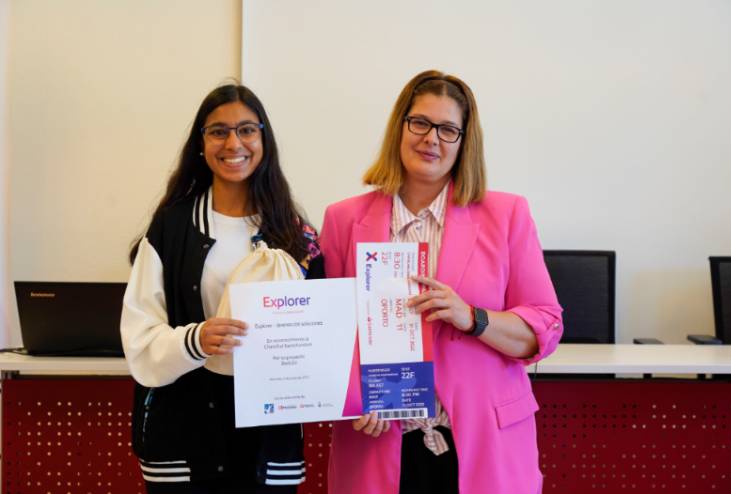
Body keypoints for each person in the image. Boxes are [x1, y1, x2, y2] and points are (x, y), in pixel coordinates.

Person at [320, 70, 563, 494]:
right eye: (420, 123)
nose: (431, 139)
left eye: (448, 129)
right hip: (378, 441)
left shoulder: (507, 215)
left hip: (483, 441)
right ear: (400, 127)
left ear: (464, 142)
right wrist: (354, 397)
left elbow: (545, 328)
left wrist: (471, 317)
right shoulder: (343, 219)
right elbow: (329, 334)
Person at [121, 84, 323, 493]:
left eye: (247, 130)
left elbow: (321, 336)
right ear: (201, 143)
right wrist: (196, 340)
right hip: (183, 440)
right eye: (218, 131)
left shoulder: (296, 235)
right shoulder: (170, 228)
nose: (233, 144)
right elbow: (138, 335)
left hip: (269, 446)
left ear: (264, 139)